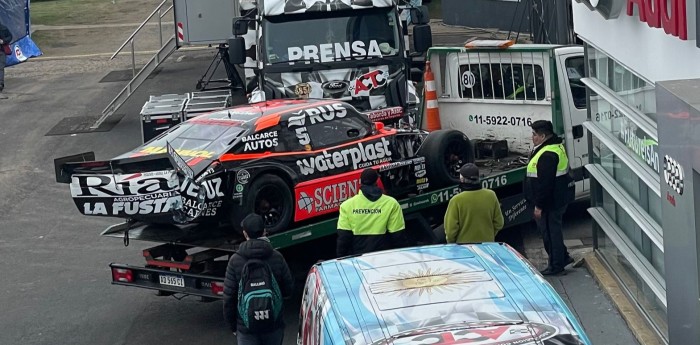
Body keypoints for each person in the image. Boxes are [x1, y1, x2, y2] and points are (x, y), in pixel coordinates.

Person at [223, 214, 294, 345]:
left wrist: (233, 326)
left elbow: (229, 298)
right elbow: (288, 289)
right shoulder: (277, 257)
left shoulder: (235, 260)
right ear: (264, 231)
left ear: (245, 234)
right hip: (273, 325)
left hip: (246, 328)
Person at [524, 120, 575, 276]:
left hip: (550, 203)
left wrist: (539, 206)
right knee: (554, 232)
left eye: (534, 134)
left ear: (543, 136)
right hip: (556, 200)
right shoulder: (553, 147)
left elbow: (545, 184)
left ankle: (556, 265)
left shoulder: (547, 154)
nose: (532, 137)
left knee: (550, 235)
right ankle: (563, 257)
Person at [336, 168, 408, 257]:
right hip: (384, 257)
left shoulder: (347, 206)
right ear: (376, 181)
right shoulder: (391, 203)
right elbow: (398, 236)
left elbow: (344, 238)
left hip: (359, 259)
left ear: (360, 182)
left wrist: (340, 259)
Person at [443, 163, 504, 243]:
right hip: (487, 246)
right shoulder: (491, 195)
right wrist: (489, 236)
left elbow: (450, 232)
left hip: (465, 249)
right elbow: (499, 223)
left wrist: (453, 245)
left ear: (462, 180)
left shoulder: (456, 201)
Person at [0, 21, 12, 99]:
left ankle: (0, 86)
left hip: (1, 51)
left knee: (0, 68)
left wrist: (3, 41)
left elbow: (10, 36)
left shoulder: (3, 28)